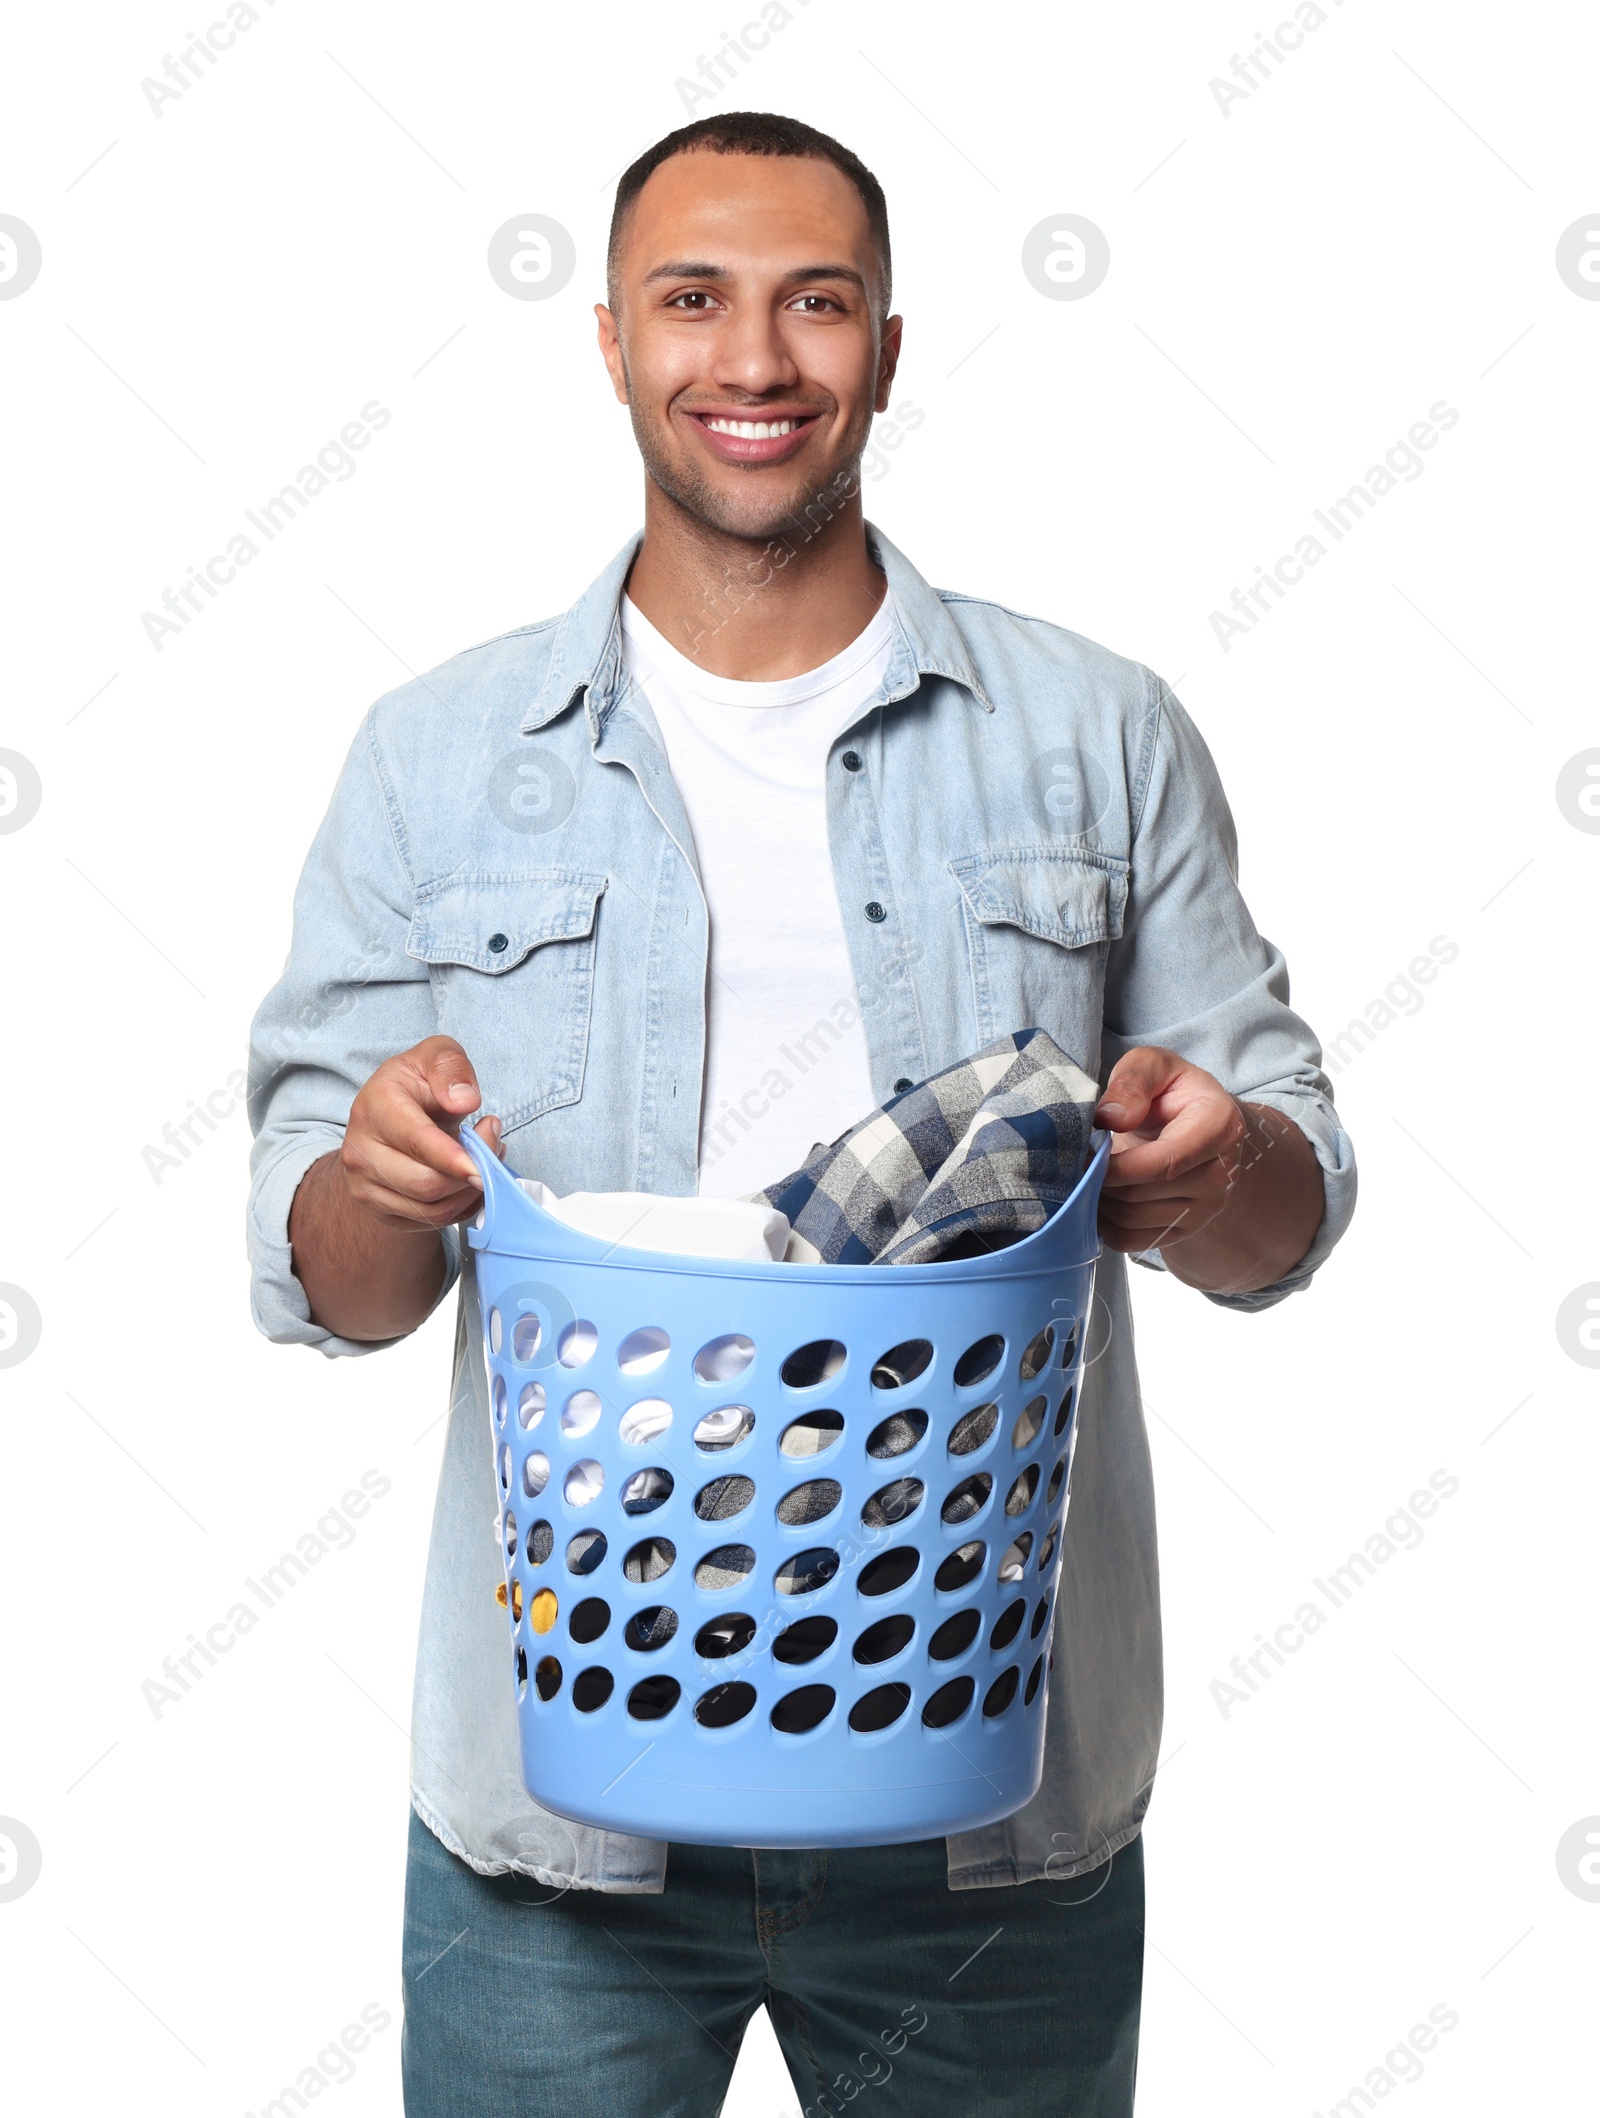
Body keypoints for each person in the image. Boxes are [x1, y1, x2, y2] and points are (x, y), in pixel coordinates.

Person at [247, 111, 1354, 2118]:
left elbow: (1284, 1216)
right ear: (607, 342)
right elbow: (330, 1284)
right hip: (560, 1815)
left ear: (887, 347)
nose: (749, 363)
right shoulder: (435, 760)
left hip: (978, 1807)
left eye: (810, 304)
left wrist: (1213, 1164)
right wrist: (375, 1175)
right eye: (692, 301)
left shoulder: (1091, 733)